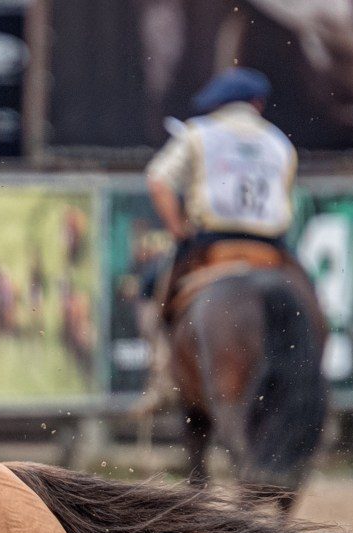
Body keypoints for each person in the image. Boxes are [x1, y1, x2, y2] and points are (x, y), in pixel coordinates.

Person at [136, 67, 299, 414]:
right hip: (270, 247)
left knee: (152, 291)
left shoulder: (198, 134)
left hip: (212, 242)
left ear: (218, 104)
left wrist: (178, 227)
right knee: (307, 303)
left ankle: (162, 376)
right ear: (257, 103)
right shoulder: (278, 142)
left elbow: (158, 180)